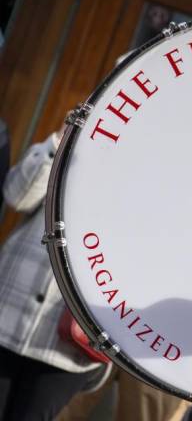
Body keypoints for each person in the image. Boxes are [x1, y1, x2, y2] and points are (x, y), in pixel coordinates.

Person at [0, 123, 107, 420]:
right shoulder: (77, 144)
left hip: (66, 347)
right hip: (7, 317)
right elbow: (16, 196)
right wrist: (59, 142)